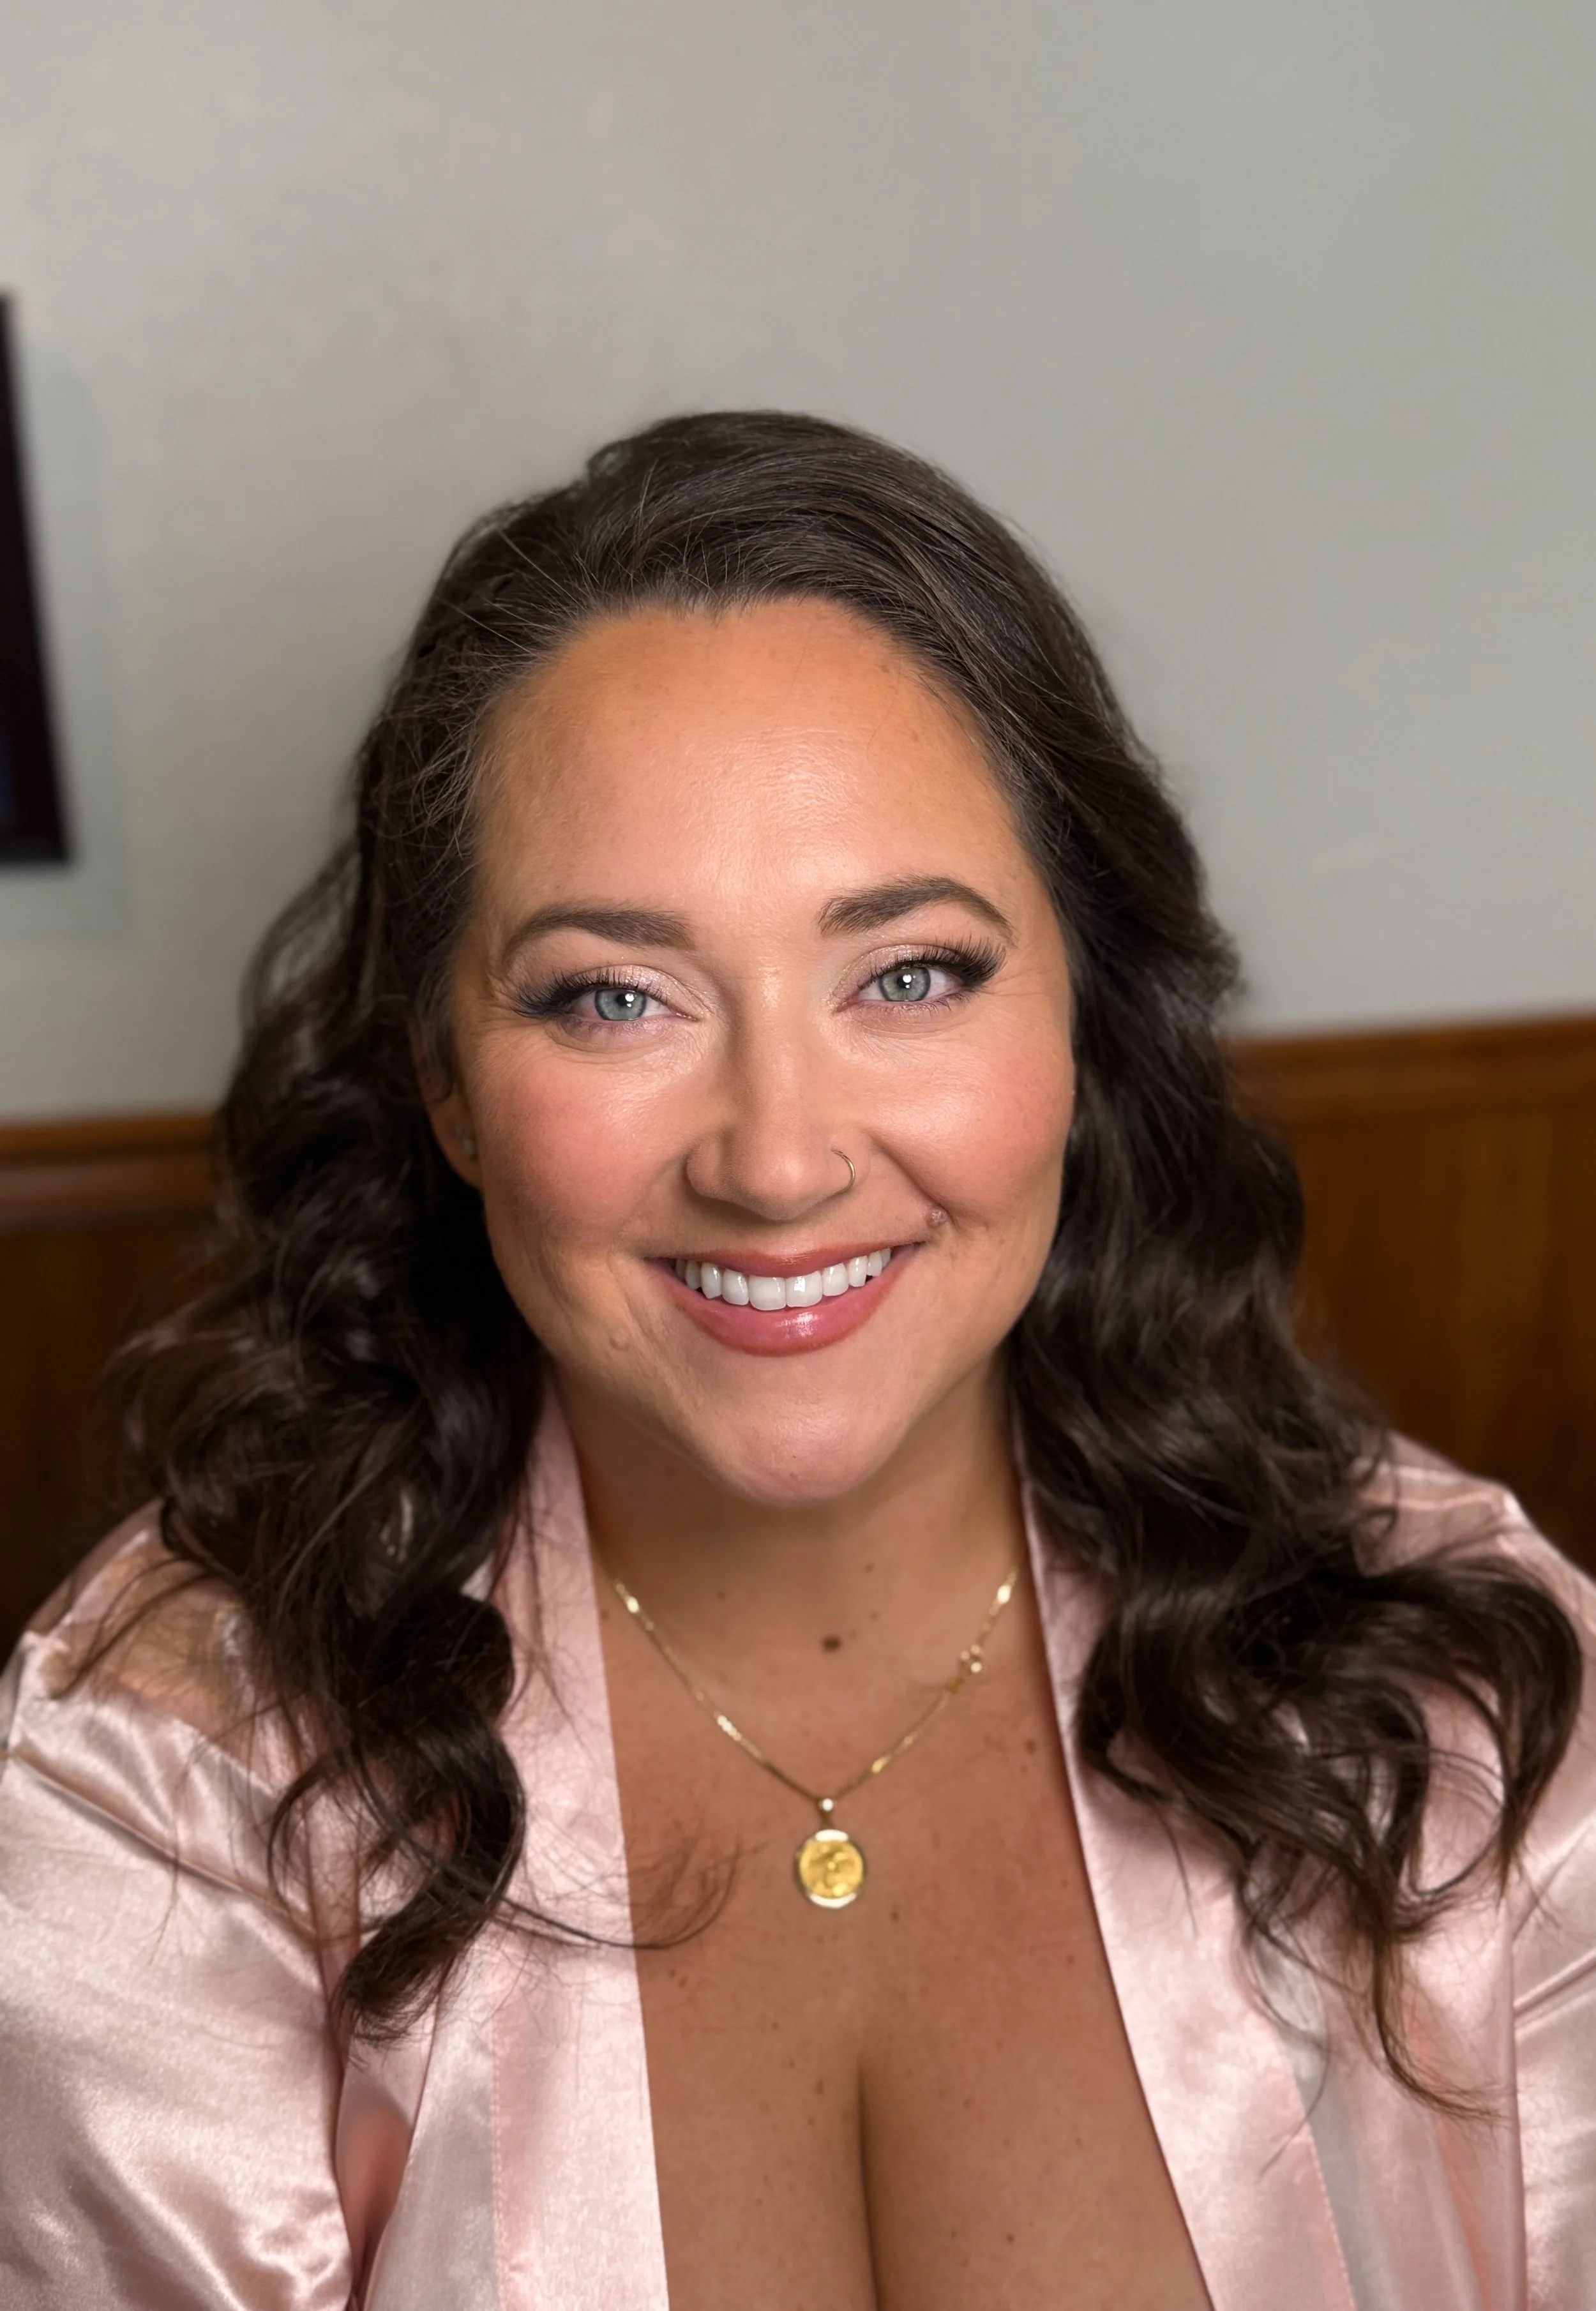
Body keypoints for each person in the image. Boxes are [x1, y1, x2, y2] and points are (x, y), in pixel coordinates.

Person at [1, 411, 1592, 2311]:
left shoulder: (1466, 1699)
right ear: (441, 1075)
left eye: (907, 971)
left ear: (1087, 1013)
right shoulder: (165, 1779)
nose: (774, 1154)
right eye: (616, 994)